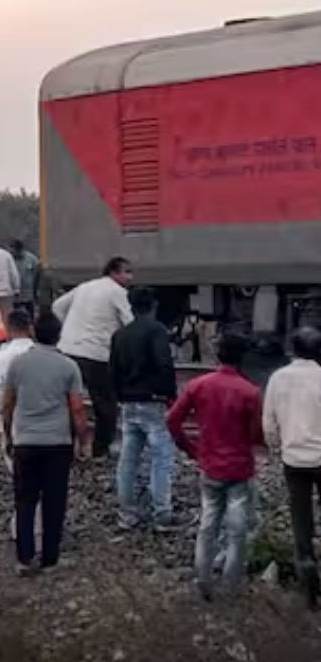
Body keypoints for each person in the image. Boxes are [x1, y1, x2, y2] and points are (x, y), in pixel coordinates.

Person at [168, 332, 263, 600]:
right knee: (237, 531)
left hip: (209, 466)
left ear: (217, 355)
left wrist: (190, 449)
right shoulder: (251, 392)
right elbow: (256, 435)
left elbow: (172, 420)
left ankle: (203, 581)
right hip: (240, 469)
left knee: (207, 524)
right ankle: (232, 587)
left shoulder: (198, 385)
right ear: (242, 357)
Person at [2, 312, 91, 575]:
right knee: (54, 501)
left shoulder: (18, 364)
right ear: (59, 335)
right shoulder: (68, 366)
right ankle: (50, 558)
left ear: (33, 332)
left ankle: (24, 558)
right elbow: (77, 410)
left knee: (25, 500)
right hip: (57, 443)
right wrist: (83, 440)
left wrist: (8, 435)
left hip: (25, 442)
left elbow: (8, 404)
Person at [110, 286, 180, 531]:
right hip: (152, 401)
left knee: (128, 460)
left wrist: (120, 395)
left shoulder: (120, 335)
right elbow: (164, 364)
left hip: (128, 403)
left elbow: (113, 370)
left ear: (130, 306)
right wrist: (170, 395)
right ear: (154, 306)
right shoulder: (157, 330)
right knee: (161, 458)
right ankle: (162, 513)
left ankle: (127, 514)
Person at [53, 256, 135, 460]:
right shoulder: (118, 292)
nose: (130, 277)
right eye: (126, 272)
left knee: (66, 403)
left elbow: (57, 306)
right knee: (105, 403)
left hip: (68, 350)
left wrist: (69, 328)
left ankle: (66, 448)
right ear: (114, 272)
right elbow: (130, 322)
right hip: (96, 354)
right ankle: (100, 449)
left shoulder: (85, 286)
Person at [263, 327, 321, 609]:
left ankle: (309, 584)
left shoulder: (277, 378)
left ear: (293, 349)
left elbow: (268, 422)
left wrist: (277, 447)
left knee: (301, 521)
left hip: (294, 460)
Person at [0, 309, 37, 538]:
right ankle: (42, 527)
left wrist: (9, 406)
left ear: (9, 327)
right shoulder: (43, 354)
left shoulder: (3, 357)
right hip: (48, 426)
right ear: (30, 327)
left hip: (14, 425)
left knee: (21, 479)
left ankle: (24, 528)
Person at [11, 239, 42, 315]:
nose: (12, 252)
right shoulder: (9, 259)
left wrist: (36, 291)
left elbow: (38, 275)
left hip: (28, 295)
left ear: (19, 249)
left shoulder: (32, 259)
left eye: (13, 250)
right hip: (14, 296)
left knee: (30, 315)